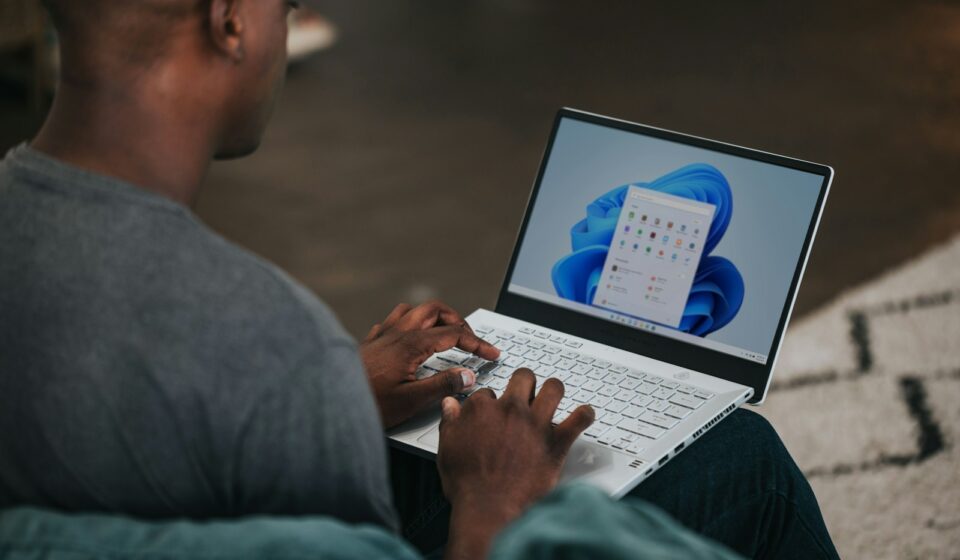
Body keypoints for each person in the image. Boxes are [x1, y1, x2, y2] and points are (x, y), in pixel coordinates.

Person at [0, 1, 840, 558]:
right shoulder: (260, 333)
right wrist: (492, 502)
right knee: (744, 460)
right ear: (228, 19)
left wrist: (339, 392)